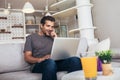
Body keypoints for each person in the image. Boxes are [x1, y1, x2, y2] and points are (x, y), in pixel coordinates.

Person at [24, 16, 82, 80]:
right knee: (50, 62)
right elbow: (27, 57)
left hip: (54, 62)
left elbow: (62, 52)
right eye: (48, 26)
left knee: (75, 60)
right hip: (38, 64)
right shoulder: (31, 37)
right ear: (41, 26)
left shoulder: (53, 37)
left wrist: (56, 38)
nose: (50, 29)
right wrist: (40, 59)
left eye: (52, 27)